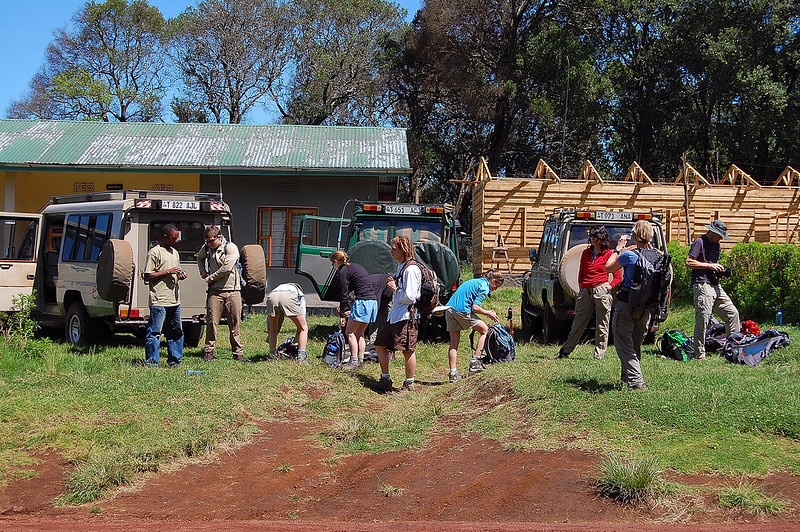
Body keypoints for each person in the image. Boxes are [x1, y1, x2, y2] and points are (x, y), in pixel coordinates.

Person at [604, 220, 659, 390]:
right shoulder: (659, 256)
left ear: (635, 235)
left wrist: (617, 249)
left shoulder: (629, 255)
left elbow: (608, 267)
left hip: (626, 304)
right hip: (645, 309)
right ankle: (626, 378)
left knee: (624, 345)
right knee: (635, 344)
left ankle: (636, 382)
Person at [555, 226, 622, 360]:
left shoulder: (609, 254)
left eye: (595, 236)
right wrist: (581, 287)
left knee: (602, 324)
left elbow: (618, 277)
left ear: (601, 238)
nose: (592, 239)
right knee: (578, 323)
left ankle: (599, 355)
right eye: (591, 236)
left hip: (601, 289)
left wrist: (609, 286)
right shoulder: (586, 253)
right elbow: (581, 272)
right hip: (585, 290)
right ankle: (565, 351)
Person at [685, 219, 740, 360]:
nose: (721, 238)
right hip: (702, 284)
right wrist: (710, 266)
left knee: (732, 313)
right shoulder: (699, 242)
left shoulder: (717, 246)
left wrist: (720, 273)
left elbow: (712, 265)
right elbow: (689, 262)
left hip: (715, 284)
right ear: (712, 232)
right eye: (719, 235)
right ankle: (699, 353)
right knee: (703, 318)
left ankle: (732, 348)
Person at [374, 236, 420, 393]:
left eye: (394, 248)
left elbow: (411, 297)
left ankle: (409, 384)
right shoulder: (402, 267)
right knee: (380, 344)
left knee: (407, 350)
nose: (391, 250)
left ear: (403, 250)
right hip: (395, 315)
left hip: (406, 316)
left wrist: (394, 288)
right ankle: (385, 379)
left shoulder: (411, 269)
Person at [197, 226, 247, 362]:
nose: (209, 244)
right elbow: (199, 258)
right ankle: (208, 350)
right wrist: (202, 271)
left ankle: (238, 352)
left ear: (219, 238)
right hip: (215, 291)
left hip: (233, 291)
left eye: (211, 241)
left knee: (234, 322)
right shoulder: (207, 248)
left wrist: (211, 278)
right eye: (207, 241)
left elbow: (226, 268)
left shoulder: (231, 248)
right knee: (211, 322)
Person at [445, 270, 504, 382]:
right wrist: (488, 313)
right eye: (496, 285)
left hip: (449, 309)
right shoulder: (484, 287)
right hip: (461, 311)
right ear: (493, 281)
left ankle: (453, 373)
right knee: (485, 331)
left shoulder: (475, 282)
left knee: (454, 342)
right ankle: (475, 362)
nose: (496, 288)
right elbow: (475, 308)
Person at [143, 224, 186, 367]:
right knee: (155, 332)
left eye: (177, 237)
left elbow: (175, 273)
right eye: (174, 238)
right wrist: (167, 271)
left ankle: (175, 360)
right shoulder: (154, 252)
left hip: (174, 299)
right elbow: (147, 276)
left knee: (176, 331)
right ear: (165, 237)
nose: (177, 240)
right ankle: (152, 362)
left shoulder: (174, 252)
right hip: (159, 299)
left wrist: (180, 275)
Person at [330, 250, 378, 370]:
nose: (333, 267)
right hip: (372, 302)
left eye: (332, 264)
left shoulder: (343, 271)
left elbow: (343, 293)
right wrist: (345, 308)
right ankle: (360, 360)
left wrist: (342, 314)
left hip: (362, 302)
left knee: (349, 333)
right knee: (359, 333)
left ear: (336, 261)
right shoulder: (355, 267)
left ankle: (354, 362)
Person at [266, 283, 309, 364]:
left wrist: (269, 328)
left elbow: (269, 320)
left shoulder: (279, 287)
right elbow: (303, 315)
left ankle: (272, 356)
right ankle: (301, 358)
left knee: (273, 330)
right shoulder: (300, 294)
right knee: (303, 328)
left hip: (272, 296)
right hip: (288, 297)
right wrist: (296, 341)